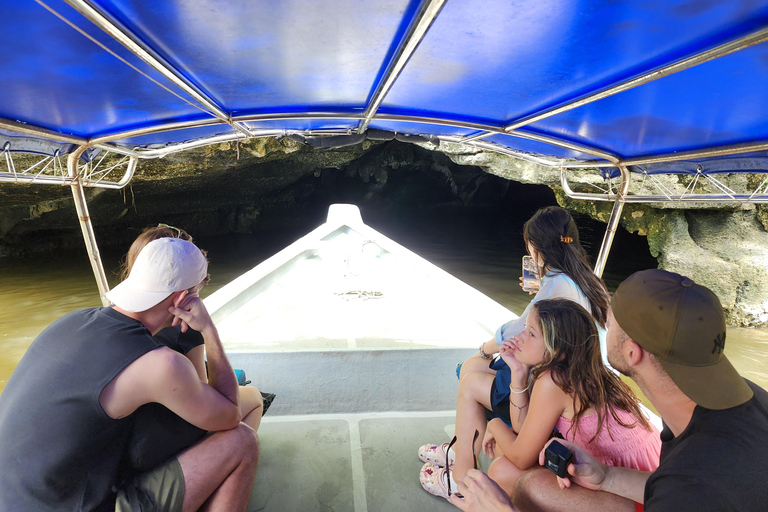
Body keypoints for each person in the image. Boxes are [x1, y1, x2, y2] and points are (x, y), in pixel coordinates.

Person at [0, 237, 258, 511]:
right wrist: (208, 330)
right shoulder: (160, 364)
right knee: (241, 440)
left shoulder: (68, 322)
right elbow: (230, 414)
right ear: (184, 298)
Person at [513, 269, 768, 512]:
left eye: (610, 323)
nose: (604, 328)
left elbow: (685, 489)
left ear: (632, 353)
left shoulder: (695, 485)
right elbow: (667, 484)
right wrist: (606, 476)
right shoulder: (747, 396)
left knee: (528, 489)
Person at [419, 206, 611, 497]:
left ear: (534, 247)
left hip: (554, 382)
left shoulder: (555, 286)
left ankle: (459, 481)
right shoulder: (585, 279)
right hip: (575, 374)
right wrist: (539, 290)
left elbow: (518, 333)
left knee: (470, 377)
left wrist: (485, 349)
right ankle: (460, 450)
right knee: (472, 368)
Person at [419, 299, 659, 500]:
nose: (520, 337)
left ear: (557, 351)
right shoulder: (580, 368)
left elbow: (522, 458)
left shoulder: (554, 381)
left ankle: (464, 491)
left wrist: (493, 425)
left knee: (503, 468)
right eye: (525, 327)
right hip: (637, 471)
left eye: (531, 333)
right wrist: (518, 373)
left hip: (627, 485)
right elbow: (524, 428)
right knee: (505, 450)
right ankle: (465, 472)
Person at [118, 224, 269, 473]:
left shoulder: (116, 318)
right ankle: (230, 470)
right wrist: (207, 330)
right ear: (182, 294)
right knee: (252, 395)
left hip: (131, 438)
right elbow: (212, 404)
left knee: (237, 379)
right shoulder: (184, 328)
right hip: (165, 433)